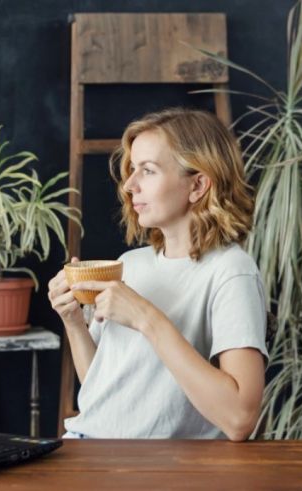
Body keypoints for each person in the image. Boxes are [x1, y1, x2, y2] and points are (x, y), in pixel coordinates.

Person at [47, 108, 268, 442]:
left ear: (198, 185)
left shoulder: (231, 271)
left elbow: (239, 418)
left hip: (151, 467)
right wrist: (74, 321)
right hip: (86, 448)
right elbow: (103, 390)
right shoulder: (129, 264)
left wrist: (147, 318)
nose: (129, 185)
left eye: (147, 171)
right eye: (131, 170)